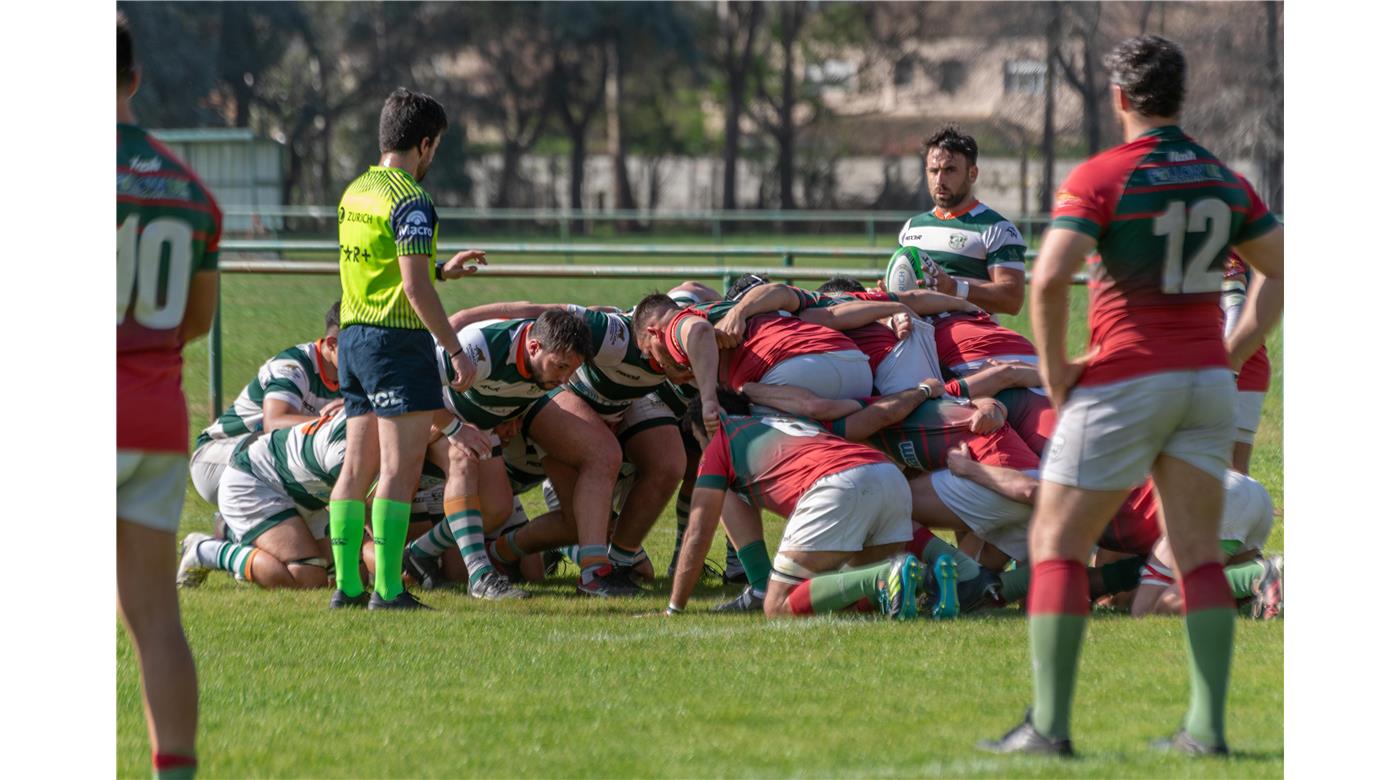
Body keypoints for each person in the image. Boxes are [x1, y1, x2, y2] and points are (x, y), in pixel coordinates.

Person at [980, 35, 1284, 758]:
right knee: (1198, 554)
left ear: (1118, 97)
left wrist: (1055, 374)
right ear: (1179, 98)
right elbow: (1281, 270)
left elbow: (1050, 280)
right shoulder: (1223, 178)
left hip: (1125, 379)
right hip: (1206, 384)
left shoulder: (1100, 175)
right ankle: (1206, 731)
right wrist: (1232, 350)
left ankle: (1049, 728)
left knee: (1056, 542)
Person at [328, 87, 486, 610]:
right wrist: (454, 350)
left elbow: (388, 268)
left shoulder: (355, 192)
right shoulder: (411, 199)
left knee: (357, 467)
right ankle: (389, 590)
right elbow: (413, 290)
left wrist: (444, 269)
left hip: (352, 339)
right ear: (424, 144)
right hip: (396, 343)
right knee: (399, 468)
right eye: (435, 146)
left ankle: (348, 586)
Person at [116, 13, 220, 778]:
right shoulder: (190, 191)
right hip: (154, 416)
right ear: (135, 78)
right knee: (155, 617)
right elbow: (196, 320)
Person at [666, 392, 948, 620]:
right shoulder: (786, 421)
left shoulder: (721, 439)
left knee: (778, 605)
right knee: (845, 599)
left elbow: (698, 531)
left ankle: (886, 576)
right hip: (886, 474)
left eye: (701, 441)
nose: (704, 450)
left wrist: (675, 607)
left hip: (839, 484)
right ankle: (930, 580)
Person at [189, 301, 343, 505]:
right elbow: (276, 422)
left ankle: (227, 532)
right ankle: (229, 527)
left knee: (328, 536)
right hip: (216, 458)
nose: (368, 356)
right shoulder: (293, 364)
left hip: (268, 462)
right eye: (361, 348)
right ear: (332, 344)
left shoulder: (354, 376)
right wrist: (334, 424)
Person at [897, 127, 1028, 315]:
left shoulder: (997, 229)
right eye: (933, 171)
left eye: (949, 170)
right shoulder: (911, 228)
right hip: (918, 338)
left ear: (972, 174)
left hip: (969, 339)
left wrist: (956, 288)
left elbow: (1012, 300)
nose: (939, 180)